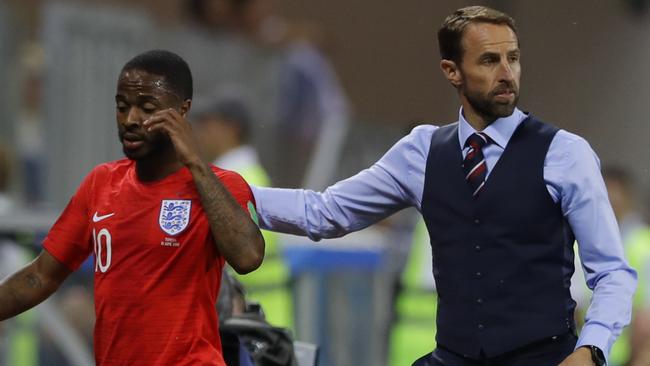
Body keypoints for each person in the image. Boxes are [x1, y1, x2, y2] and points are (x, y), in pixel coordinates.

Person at [250, 6, 636, 366]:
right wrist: (229, 190)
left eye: (513, 58)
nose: (507, 73)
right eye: (489, 60)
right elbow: (325, 212)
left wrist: (592, 348)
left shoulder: (566, 153)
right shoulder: (421, 151)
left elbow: (612, 272)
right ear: (452, 71)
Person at [0, 49, 265, 365]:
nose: (130, 120)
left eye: (147, 108)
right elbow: (41, 276)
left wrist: (195, 162)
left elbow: (248, 256)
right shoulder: (101, 183)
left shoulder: (220, 185)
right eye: (122, 107)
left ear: (182, 111)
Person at [193, 96, 293, 330]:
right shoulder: (252, 175)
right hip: (261, 320)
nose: (200, 133)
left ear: (232, 129)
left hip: (247, 324)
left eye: (208, 125)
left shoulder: (234, 182)